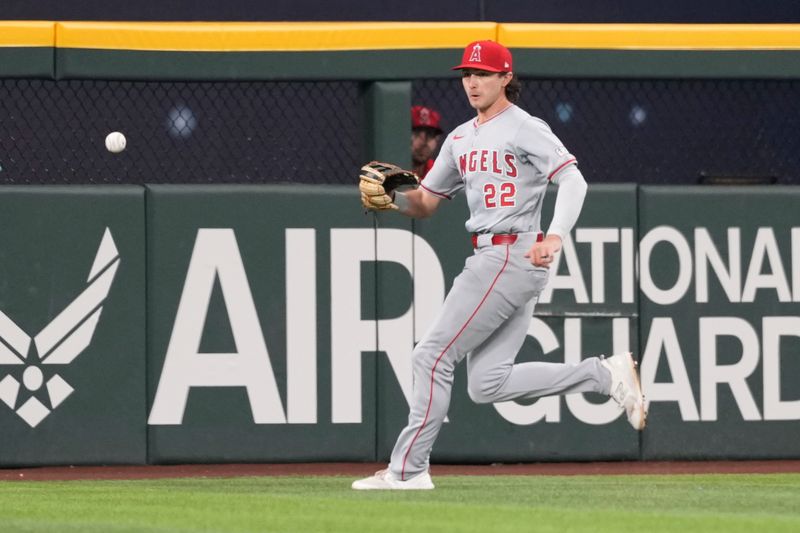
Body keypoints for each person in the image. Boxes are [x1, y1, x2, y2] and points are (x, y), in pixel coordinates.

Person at [354, 40, 646, 491]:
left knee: (430, 355)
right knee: (487, 383)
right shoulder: (459, 137)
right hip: (496, 254)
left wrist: (555, 235)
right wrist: (392, 198)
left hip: (512, 252)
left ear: (505, 77)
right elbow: (427, 202)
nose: (472, 81)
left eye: (484, 73)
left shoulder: (524, 127)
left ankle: (408, 471)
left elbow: (573, 179)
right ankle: (603, 375)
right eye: (467, 73)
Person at [411, 105, 444, 179]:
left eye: (430, 135)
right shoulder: (389, 169)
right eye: (417, 133)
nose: (424, 142)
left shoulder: (437, 173)